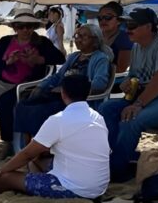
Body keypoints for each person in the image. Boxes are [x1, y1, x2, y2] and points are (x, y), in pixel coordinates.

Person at [0, 75, 110, 200]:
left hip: (77, 189)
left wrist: (1, 170)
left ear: (63, 93)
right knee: (38, 161)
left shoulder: (59, 119)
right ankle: (31, 183)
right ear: (88, 93)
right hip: (99, 186)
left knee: (7, 177)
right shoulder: (97, 117)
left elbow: (27, 153)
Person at [98, 8, 158, 182]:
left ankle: (117, 171)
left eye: (133, 25)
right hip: (149, 97)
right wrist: (127, 83)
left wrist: (138, 104)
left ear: (148, 27)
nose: (127, 29)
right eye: (126, 25)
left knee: (132, 119)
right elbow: (135, 75)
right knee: (106, 109)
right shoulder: (137, 46)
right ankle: (114, 159)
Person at [0, 8, 65, 159]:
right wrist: (8, 61)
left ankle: (7, 142)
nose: (25, 30)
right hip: (2, 81)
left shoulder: (42, 43)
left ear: (34, 27)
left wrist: (38, 59)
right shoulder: (5, 41)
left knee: (4, 101)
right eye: (21, 26)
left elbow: (61, 58)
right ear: (15, 28)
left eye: (29, 26)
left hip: (27, 85)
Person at [12, 23, 112, 152]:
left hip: (76, 100)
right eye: (77, 35)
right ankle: (25, 146)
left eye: (83, 36)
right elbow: (58, 76)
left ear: (95, 40)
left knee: (41, 110)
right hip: (60, 94)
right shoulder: (74, 56)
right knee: (23, 104)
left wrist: (71, 89)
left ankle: (41, 148)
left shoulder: (100, 58)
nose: (78, 39)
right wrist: (41, 86)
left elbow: (99, 84)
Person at [97, 1, 132, 73]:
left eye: (108, 17)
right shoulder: (96, 36)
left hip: (114, 81)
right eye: (100, 18)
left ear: (119, 20)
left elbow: (121, 69)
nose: (103, 20)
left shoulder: (124, 38)